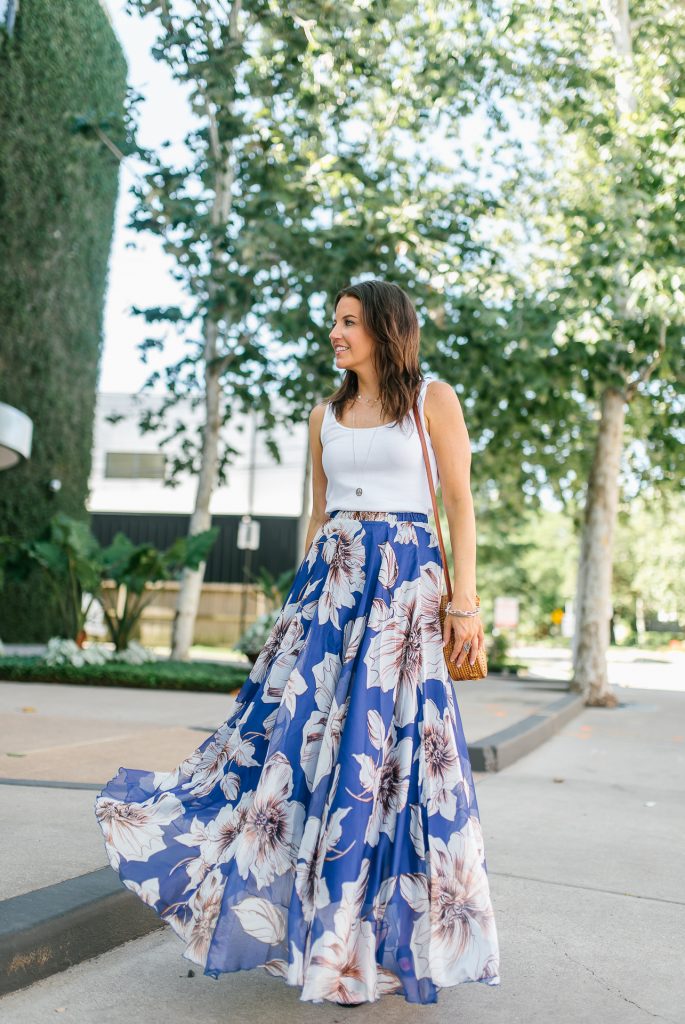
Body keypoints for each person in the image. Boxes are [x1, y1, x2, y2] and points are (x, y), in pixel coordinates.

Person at [93, 279, 501, 1007]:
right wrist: (292, 619)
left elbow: (460, 505)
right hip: (331, 595)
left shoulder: (432, 400)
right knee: (299, 750)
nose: (336, 335)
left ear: (384, 327)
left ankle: (373, 945)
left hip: (405, 598)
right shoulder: (326, 416)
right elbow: (319, 520)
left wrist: (463, 606)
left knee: (390, 760)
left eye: (348, 322)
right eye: (333, 323)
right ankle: (319, 941)